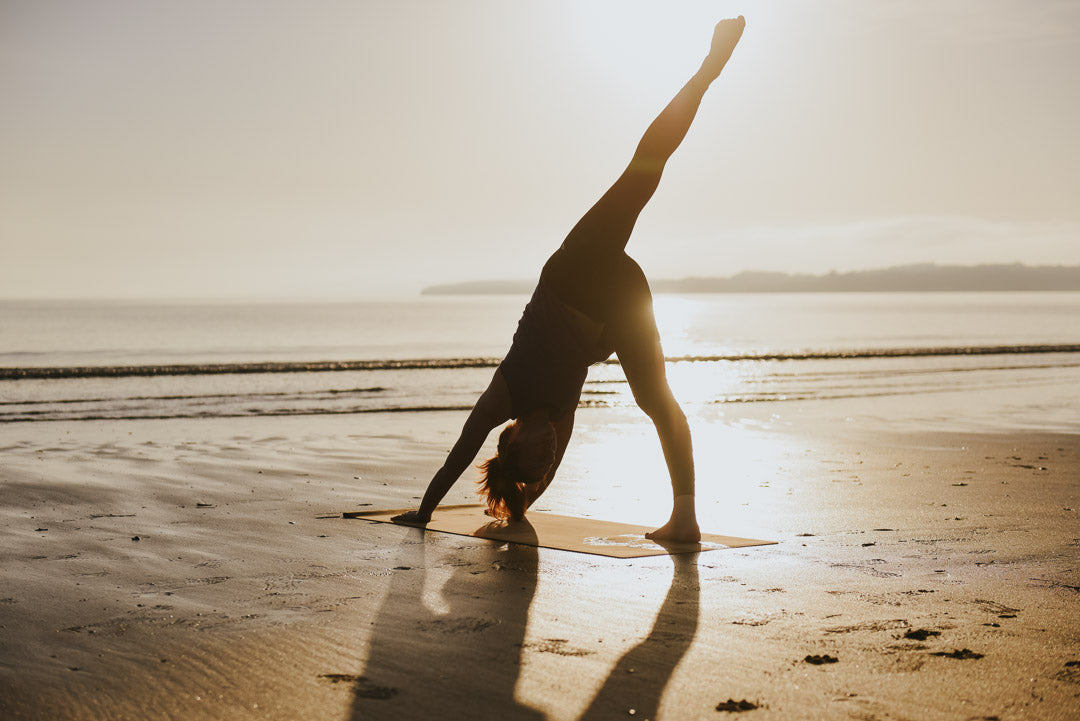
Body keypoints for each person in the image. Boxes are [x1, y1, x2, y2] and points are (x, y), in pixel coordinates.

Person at [393, 16, 746, 543]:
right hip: (617, 302)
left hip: (575, 271)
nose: (551, 453)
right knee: (656, 400)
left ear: (512, 442)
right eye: (548, 462)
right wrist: (520, 500)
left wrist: (423, 512)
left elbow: (462, 451)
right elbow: (534, 481)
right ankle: (687, 517)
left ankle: (707, 70)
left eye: (539, 456)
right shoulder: (557, 423)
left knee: (644, 170)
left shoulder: (502, 397)